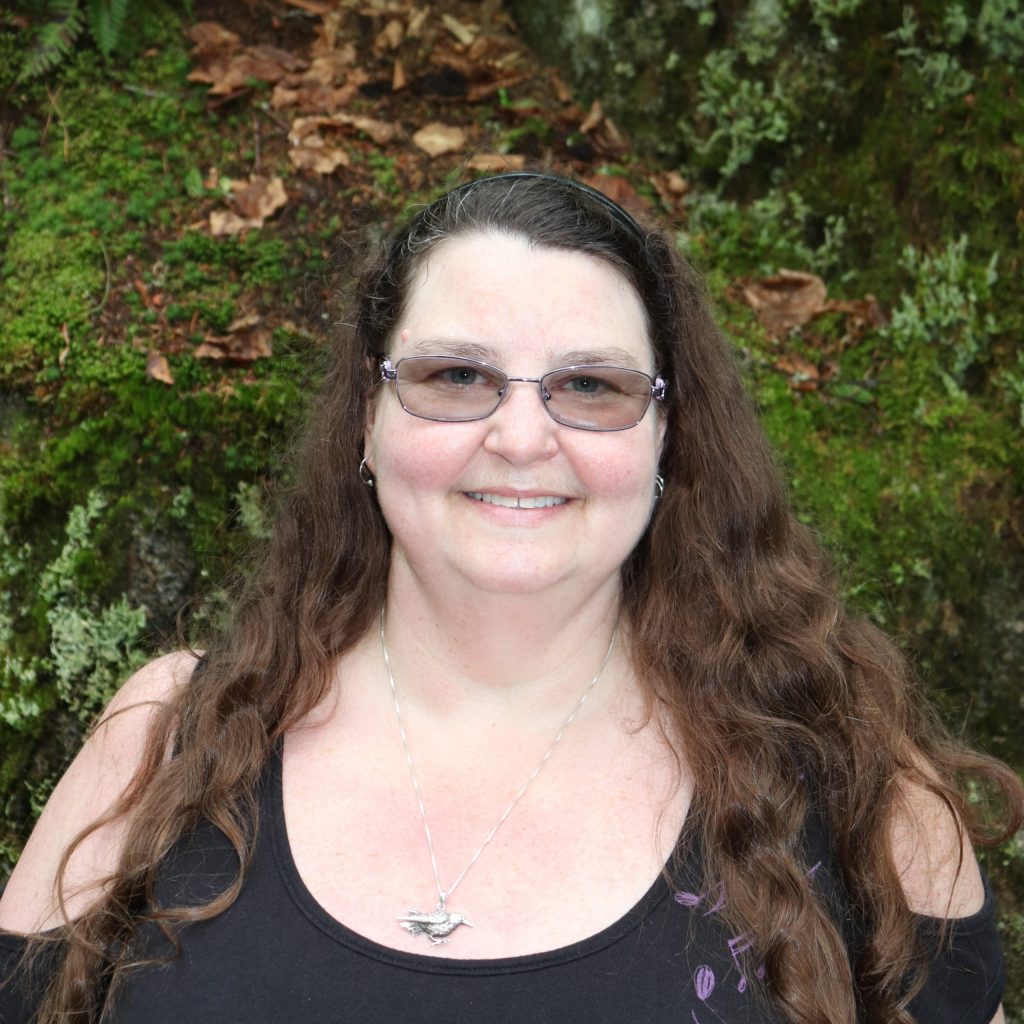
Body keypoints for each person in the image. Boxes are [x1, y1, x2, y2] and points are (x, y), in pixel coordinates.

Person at [0, 171, 1020, 1023]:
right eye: (456, 375)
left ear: (667, 434)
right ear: (367, 416)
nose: (523, 438)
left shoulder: (842, 760)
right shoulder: (164, 741)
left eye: (591, 386)